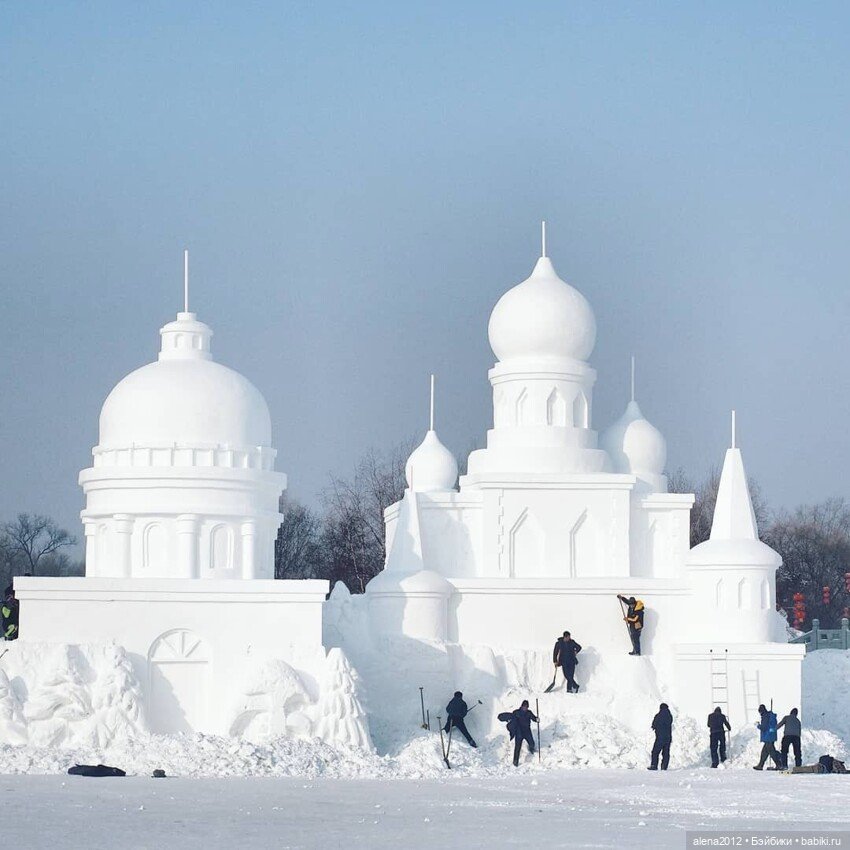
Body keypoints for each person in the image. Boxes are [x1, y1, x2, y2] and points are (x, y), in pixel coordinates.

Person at [509, 700, 537, 767]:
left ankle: (531, 749)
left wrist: (536, 719)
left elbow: (533, 718)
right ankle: (515, 761)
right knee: (517, 747)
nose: (525, 708)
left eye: (526, 707)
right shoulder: (516, 712)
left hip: (527, 731)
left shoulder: (529, 713)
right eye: (524, 706)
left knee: (532, 743)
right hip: (519, 732)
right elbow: (512, 721)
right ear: (521, 706)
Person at [753, 704, 781, 770]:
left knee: (772, 752)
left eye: (760, 712)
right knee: (764, 752)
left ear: (761, 711)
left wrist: (758, 725)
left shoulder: (765, 716)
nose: (760, 713)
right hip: (771, 736)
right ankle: (760, 765)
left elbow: (764, 727)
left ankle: (779, 764)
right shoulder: (769, 715)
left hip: (768, 737)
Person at [649, 703, 673, 770]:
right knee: (666, 753)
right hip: (668, 738)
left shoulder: (658, 716)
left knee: (655, 752)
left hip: (660, 738)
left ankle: (654, 765)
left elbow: (654, 725)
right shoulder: (670, 716)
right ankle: (664, 767)